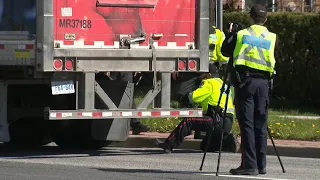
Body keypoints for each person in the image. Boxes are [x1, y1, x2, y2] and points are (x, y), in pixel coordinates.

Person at [221, 4, 278, 175]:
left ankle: (249, 165)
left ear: (250, 17)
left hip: (245, 83)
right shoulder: (273, 37)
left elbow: (225, 51)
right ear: (265, 19)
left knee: (247, 124)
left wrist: (231, 34)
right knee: (260, 125)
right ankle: (261, 165)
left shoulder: (241, 34)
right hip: (264, 84)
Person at [154, 63, 239, 153]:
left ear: (209, 75)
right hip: (227, 122)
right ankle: (228, 142)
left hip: (217, 120)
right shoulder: (223, 84)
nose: (200, 76)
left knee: (189, 121)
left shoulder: (209, 82)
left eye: (202, 74)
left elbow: (194, 97)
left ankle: (168, 145)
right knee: (205, 146)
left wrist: (184, 98)